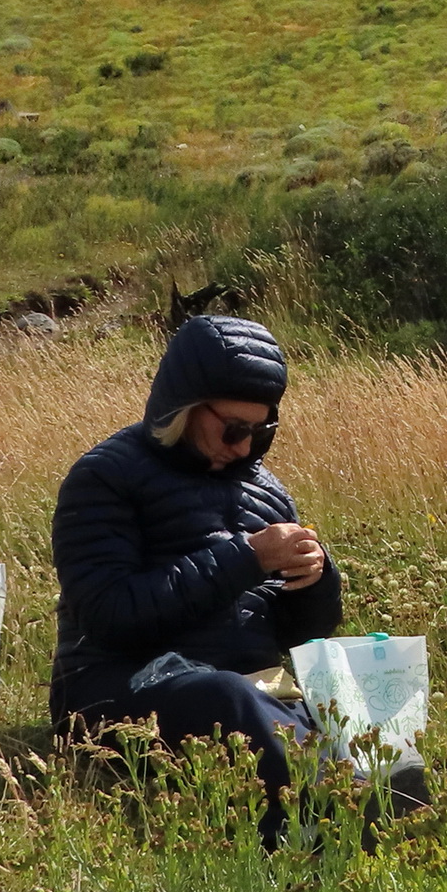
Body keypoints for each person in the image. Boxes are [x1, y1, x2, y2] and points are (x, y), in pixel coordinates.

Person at [49, 314, 341, 828]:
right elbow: (108, 613)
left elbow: (297, 636)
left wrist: (315, 580)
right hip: (116, 685)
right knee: (224, 695)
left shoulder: (268, 493)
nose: (244, 447)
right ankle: (334, 830)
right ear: (183, 408)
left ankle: (379, 813)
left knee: (353, 711)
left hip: (251, 691)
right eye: (233, 428)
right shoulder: (105, 476)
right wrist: (246, 557)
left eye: (262, 430)